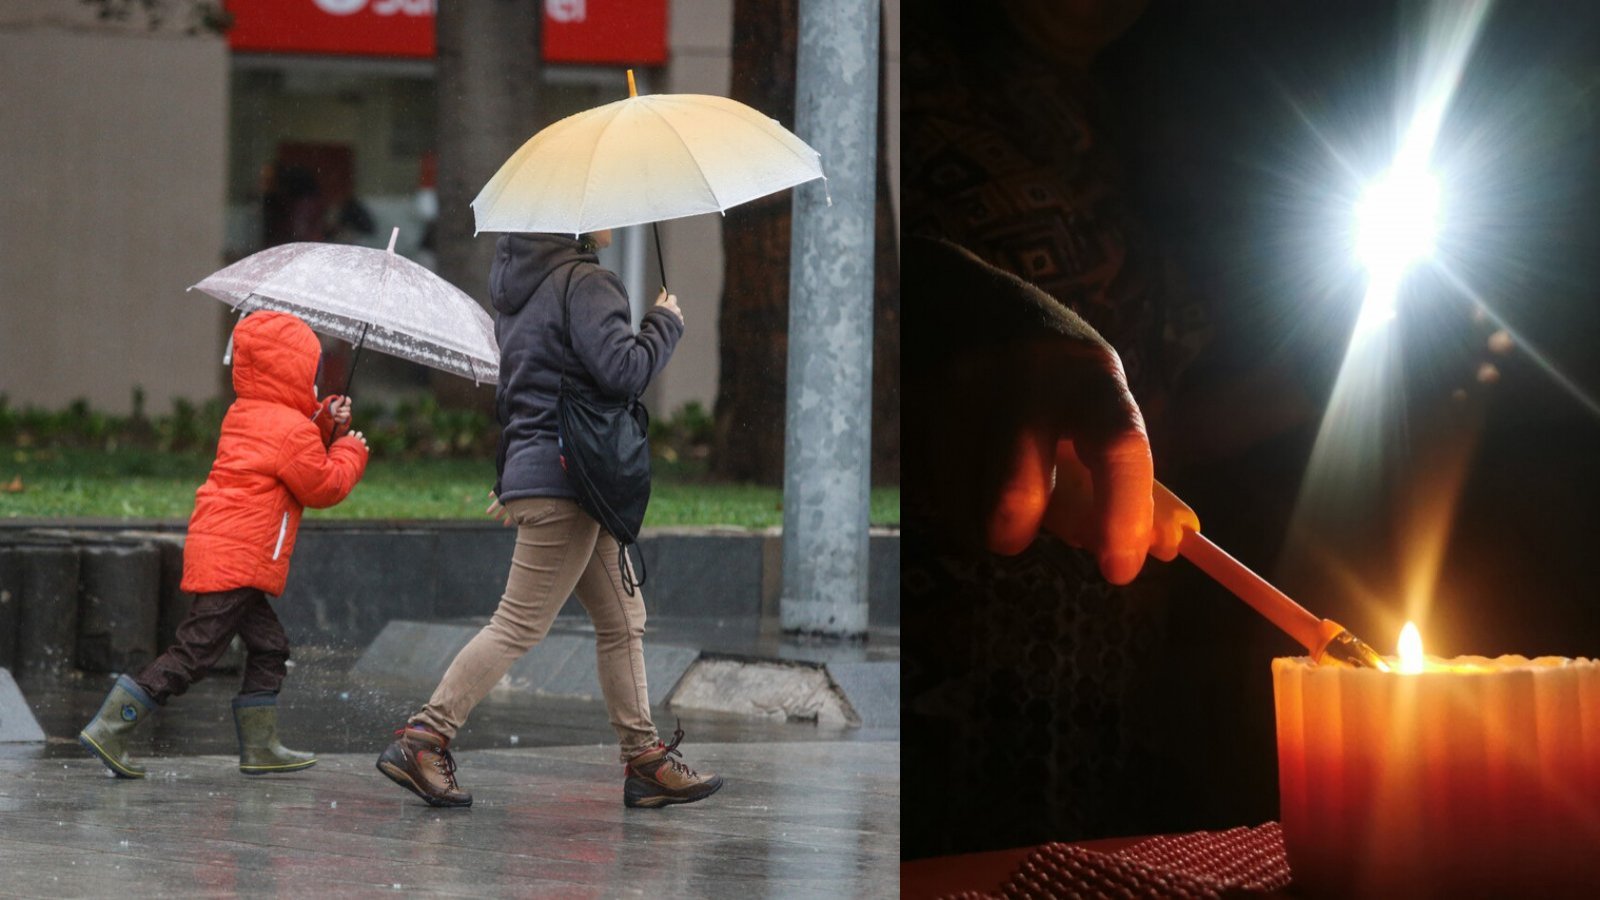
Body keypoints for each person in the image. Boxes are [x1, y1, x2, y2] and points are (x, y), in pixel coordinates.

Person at [376, 229, 721, 810]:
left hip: (557, 475)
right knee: (519, 624)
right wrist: (665, 323)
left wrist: (511, 472)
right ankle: (425, 736)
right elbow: (623, 372)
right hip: (571, 478)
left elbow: (516, 389)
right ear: (576, 221)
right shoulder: (587, 282)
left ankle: (645, 762)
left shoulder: (521, 289)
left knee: (622, 618)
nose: (615, 220)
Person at [78, 311, 370, 778]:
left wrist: (324, 417)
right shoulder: (290, 431)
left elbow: (290, 438)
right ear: (294, 371)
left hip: (226, 549)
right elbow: (322, 485)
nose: (315, 382)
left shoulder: (247, 413)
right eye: (311, 374)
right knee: (194, 654)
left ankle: (261, 747)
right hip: (242, 557)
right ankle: (113, 726)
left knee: (270, 646)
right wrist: (350, 449)